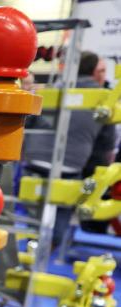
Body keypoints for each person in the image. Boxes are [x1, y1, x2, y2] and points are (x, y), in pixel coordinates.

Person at [23, 51, 116, 243]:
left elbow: (28, 122)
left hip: (34, 161)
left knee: (30, 222)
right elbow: (104, 148)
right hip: (70, 167)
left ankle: (32, 248)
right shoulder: (103, 102)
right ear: (94, 72)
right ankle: (46, 247)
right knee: (57, 228)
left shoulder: (52, 90)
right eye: (102, 71)